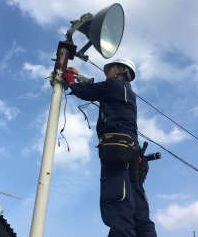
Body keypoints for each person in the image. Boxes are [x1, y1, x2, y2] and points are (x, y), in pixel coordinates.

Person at [62, 58, 157, 237]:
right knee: (139, 212)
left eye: (110, 70)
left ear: (119, 69)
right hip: (133, 152)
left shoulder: (112, 86)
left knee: (119, 205)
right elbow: (97, 86)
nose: (107, 73)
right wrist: (79, 75)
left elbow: (87, 91)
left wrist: (70, 79)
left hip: (116, 150)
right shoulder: (129, 93)